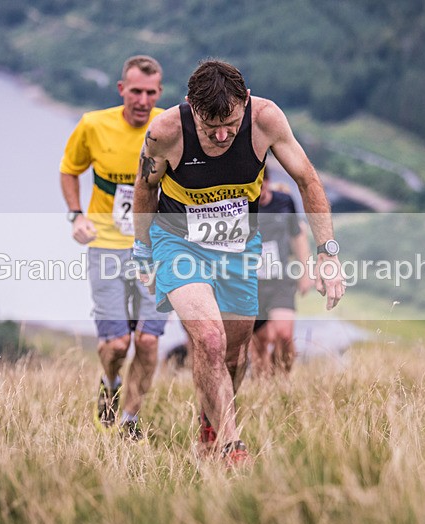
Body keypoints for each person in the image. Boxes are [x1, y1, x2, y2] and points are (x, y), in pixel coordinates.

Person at [132, 59, 344, 464]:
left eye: (230, 122)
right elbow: (145, 188)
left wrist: (327, 252)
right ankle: (232, 445)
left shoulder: (266, 119)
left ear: (244, 103)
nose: (222, 134)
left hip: (238, 249)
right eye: (210, 129)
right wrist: (142, 250)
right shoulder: (165, 132)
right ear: (191, 107)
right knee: (208, 339)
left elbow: (307, 180)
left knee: (234, 353)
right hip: (179, 245)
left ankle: (209, 425)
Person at [59, 55, 169, 440]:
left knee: (149, 340)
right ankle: (109, 381)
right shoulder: (93, 125)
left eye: (150, 93)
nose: (142, 99)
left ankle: (130, 422)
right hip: (105, 242)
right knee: (119, 343)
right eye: (135, 91)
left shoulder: (168, 126)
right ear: (122, 89)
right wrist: (76, 215)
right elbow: (69, 169)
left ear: (159, 93)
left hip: (156, 247)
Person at [250, 167, 313, 378]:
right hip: (251, 283)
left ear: (267, 182)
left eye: (261, 185)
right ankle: (263, 386)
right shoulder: (239, 208)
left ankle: (282, 378)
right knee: (260, 342)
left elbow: (298, 236)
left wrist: (306, 271)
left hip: (280, 280)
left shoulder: (284, 202)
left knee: (284, 335)